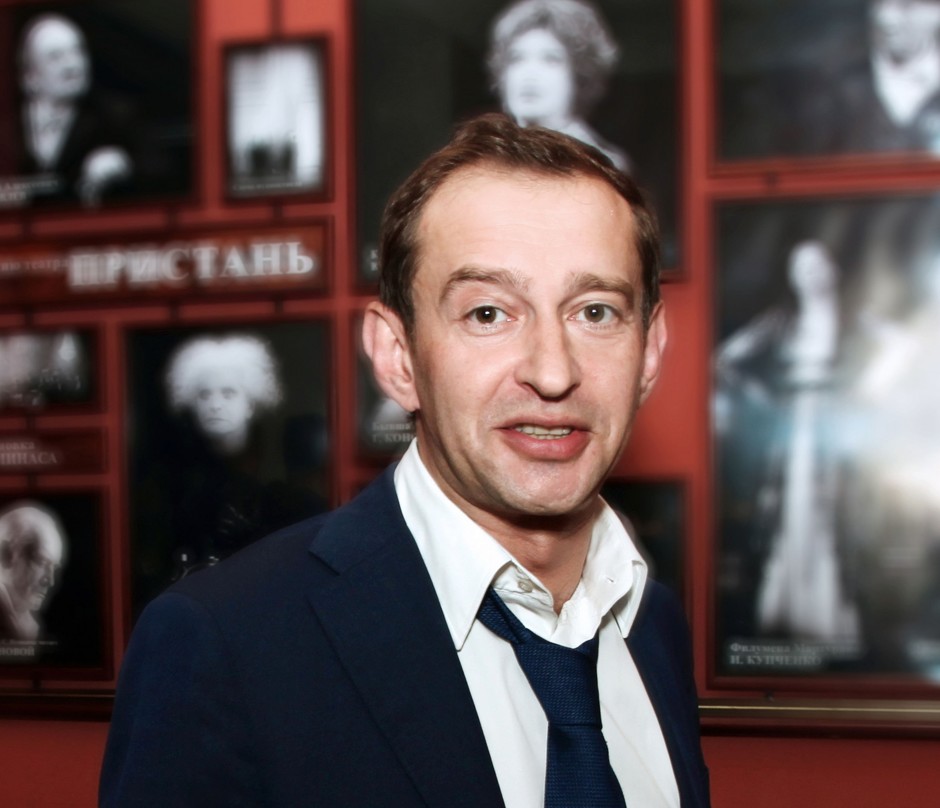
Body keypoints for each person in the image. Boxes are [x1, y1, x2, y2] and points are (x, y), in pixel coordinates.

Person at [101, 114, 710, 807]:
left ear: (649, 351)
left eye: (595, 312)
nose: (552, 371)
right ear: (397, 357)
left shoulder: (652, 624)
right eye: (488, 313)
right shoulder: (226, 644)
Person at [715, 240, 861, 643]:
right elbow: (725, 359)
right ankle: (789, 611)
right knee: (793, 512)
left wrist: (870, 388)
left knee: (836, 514)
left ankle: (832, 617)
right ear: (793, 278)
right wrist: (765, 400)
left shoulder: (852, 317)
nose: (810, 274)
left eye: (817, 265)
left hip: (837, 428)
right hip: (796, 426)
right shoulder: (781, 320)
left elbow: (904, 345)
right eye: (802, 268)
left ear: (833, 269)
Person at [487, 0, 631, 171]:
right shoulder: (487, 159)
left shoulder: (602, 166)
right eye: (516, 58)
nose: (529, 74)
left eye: (550, 59)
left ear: (579, 74)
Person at [17, 13, 137, 206]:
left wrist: (123, 167)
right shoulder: (8, 124)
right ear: (30, 76)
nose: (72, 65)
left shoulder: (115, 117)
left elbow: (158, 174)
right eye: (55, 57)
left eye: (78, 52)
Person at [0, 502, 66, 642]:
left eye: (54, 568)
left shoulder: (27, 627)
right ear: (7, 554)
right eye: (41, 562)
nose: (50, 581)